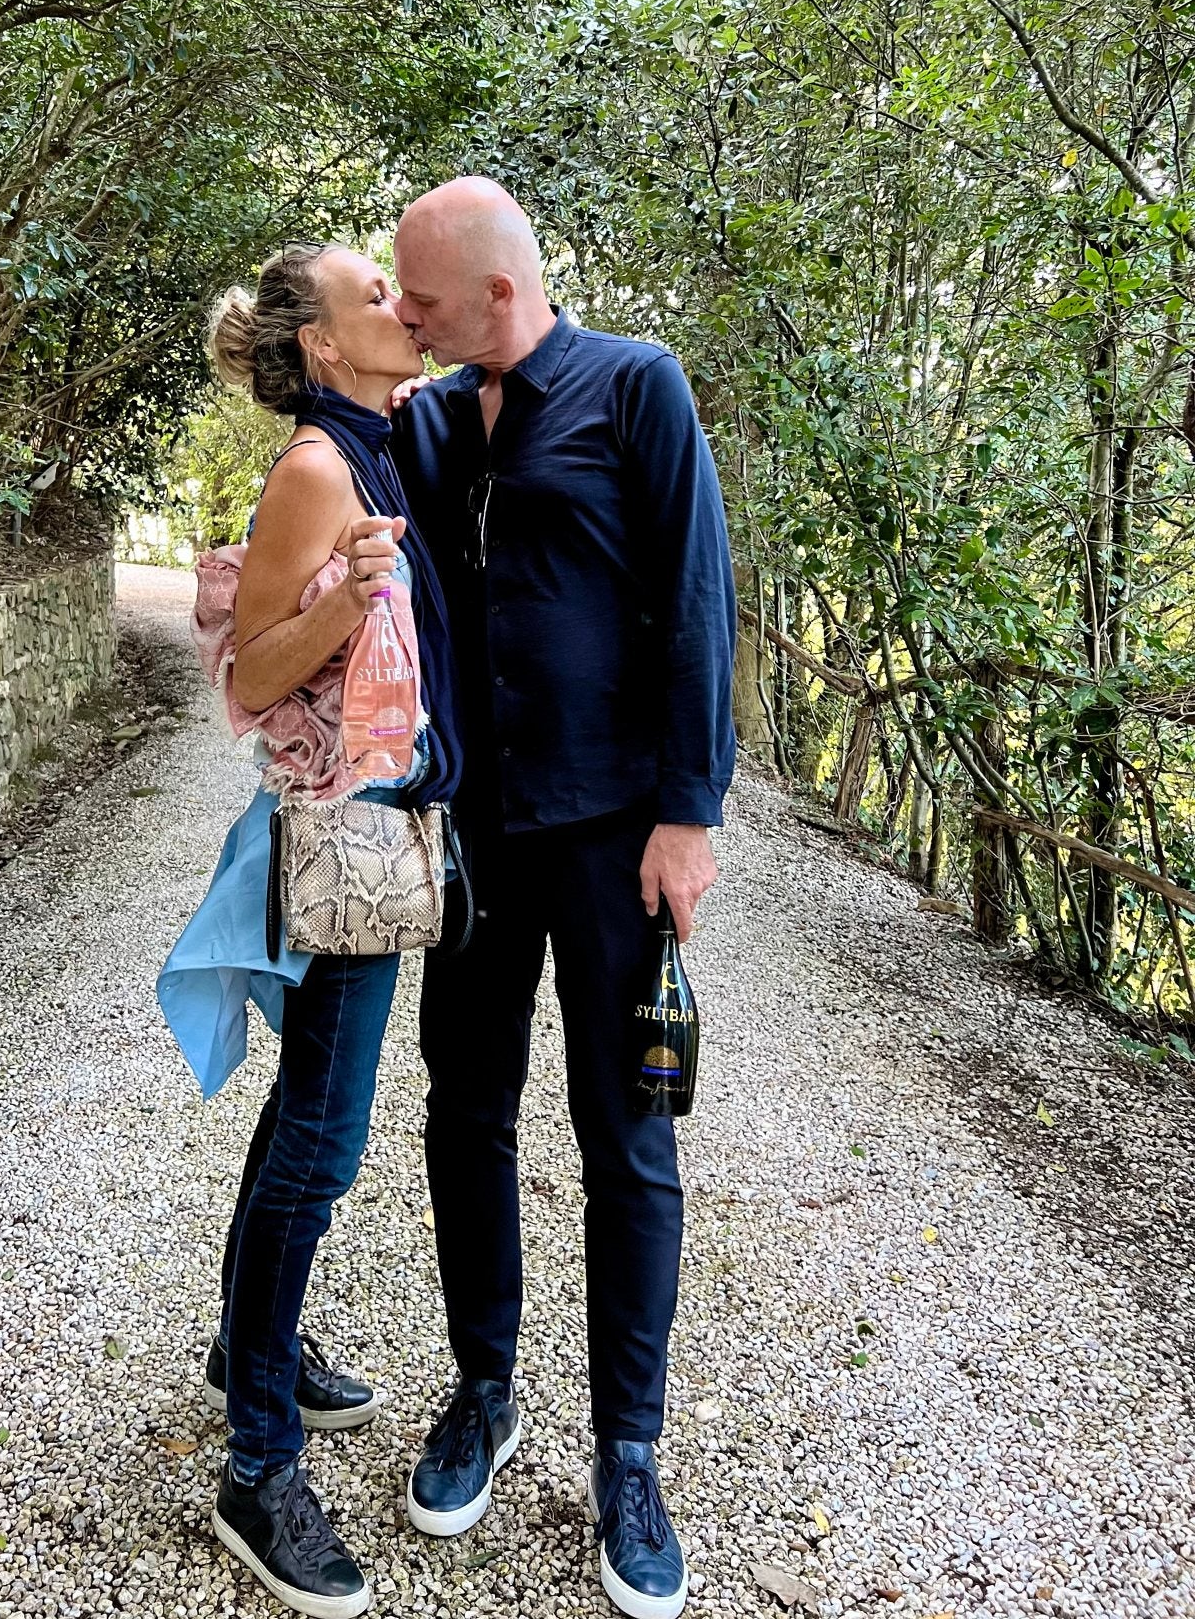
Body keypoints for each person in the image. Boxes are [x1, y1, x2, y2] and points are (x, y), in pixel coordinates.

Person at [388, 178, 737, 1619]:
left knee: (628, 1135)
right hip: (476, 835)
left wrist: (688, 813)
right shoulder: (417, 422)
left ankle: (630, 1453)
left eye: (423, 296)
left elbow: (696, 597)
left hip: (613, 839)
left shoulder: (634, 388)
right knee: (463, 1106)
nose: (406, 316)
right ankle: (486, 1385)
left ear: (500, 293)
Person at [156, 241, 463, 1619]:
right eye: (375, 299)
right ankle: (256, 1463)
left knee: (309, 1124)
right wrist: (345, 597)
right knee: (321, 1144)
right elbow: (248, 669)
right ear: (328, 350)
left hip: (381, 824)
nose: (401, 308)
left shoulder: (383, 440)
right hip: (341, 838)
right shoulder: (319, 471)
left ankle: (246, 1349)